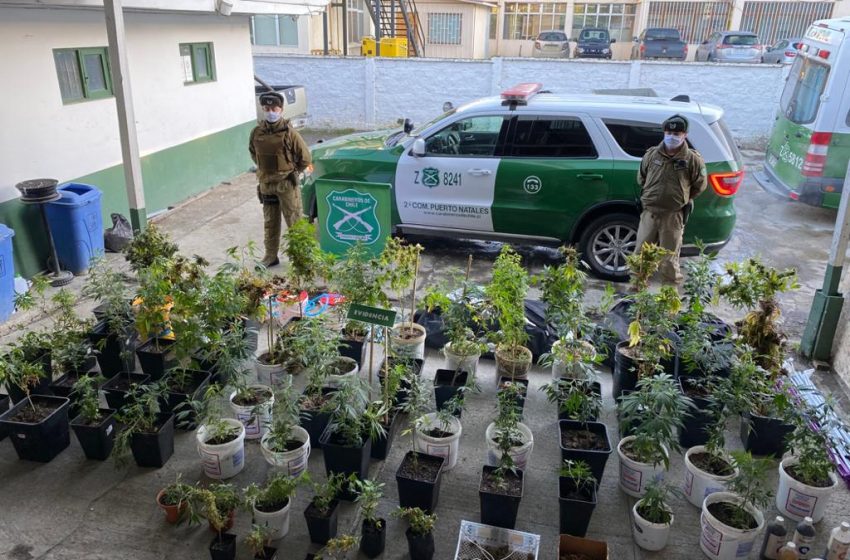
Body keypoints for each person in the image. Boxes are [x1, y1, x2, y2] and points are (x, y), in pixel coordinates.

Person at [635, 114, 707, 284]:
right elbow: (641, 178)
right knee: (640, 257)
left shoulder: (692, 159)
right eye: (668, 132)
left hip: (672, 216)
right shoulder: (652, 155)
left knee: (669, 260)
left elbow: (700, 185)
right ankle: (635, 296)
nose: (672, 137)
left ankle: (668, 301)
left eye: (677, 134)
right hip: (650, 213)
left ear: (684, 135)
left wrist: (682, 199)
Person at [249, 91, 312, 267]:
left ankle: (301, 258)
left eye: (274, 108)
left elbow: (305, 158)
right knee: (270, 222)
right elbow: (254, 154)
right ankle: (270, 256)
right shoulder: (256, 132)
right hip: (266, 184)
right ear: (263, 108)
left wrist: (293, 172)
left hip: (286, 185)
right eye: (267, 108)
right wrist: (265, 171)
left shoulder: (290, 133)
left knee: (294, 221)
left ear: (281, 109)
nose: (270, 112)